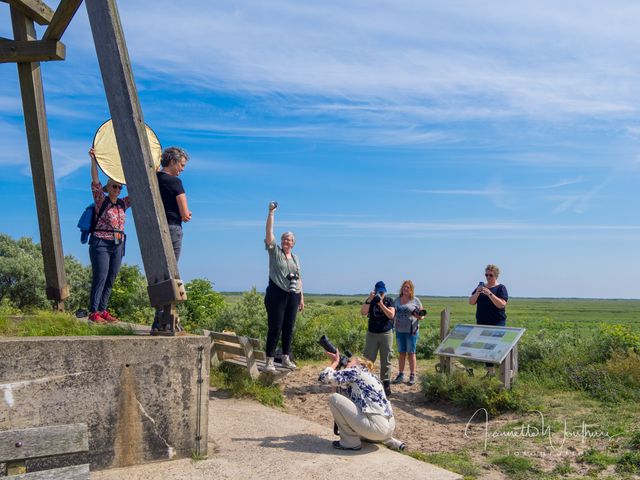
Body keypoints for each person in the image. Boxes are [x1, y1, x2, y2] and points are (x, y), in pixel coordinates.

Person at [319, 349, 405, 451]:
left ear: (359, 363)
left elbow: (324, 377)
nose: (346, 363)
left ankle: (350, 442)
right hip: (389, 428)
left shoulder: (355, 371)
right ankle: (387, 440)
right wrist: (338, 367)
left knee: (333, 399)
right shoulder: (371, 376)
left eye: (349, 361)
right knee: (343, 402)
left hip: (377, 429)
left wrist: (335, 362)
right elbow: (335, 385)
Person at [88, 148, 131, 323]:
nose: (118, 189)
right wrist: (93, 160)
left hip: (118, 244)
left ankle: (103, 310)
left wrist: (153, 171)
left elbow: (139, 190)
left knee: (111, 277)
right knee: (101, 276)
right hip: (101, 243)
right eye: (114, 186)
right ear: (108, 188)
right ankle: (93, 313)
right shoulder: (101, 200)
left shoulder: (123, 203)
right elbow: (95, 181)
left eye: (120, 187)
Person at [152, 146, 191, 333]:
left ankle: (158, 317)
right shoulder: (175, 182)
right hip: (173, 228)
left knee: (159, 274)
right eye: (181, 164)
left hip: (156, 229)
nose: (182, 169)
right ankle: (167, 318)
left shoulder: (153, 179)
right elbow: (184, 213)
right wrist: (187, 215)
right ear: (173, 162)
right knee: (172, 272)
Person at [263, 201, 304, 372]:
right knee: (275, 327)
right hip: (276, 293)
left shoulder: (295, 258)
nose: (286, 241)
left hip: (293, 295)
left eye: (289, 239)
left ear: (293, 243)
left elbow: (300, 278)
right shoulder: (275, 252)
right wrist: (271, 213)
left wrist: (301, 298)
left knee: (289, 327)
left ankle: (286, 357)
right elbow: (269, 233)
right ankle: (270, 360)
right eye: (284, 238)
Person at [469, 264, 509, 374]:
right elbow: (471, 302)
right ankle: (490, 372)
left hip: (497, 323)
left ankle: (505, 371)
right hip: (482, 322)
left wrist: (490, 294)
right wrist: (477, 292)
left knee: (498, 347)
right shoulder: (480, 287)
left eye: (490, 275)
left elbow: (501, 304)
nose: (488, 277)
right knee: (485, 348)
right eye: (486, 275)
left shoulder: (501, 288)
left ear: (496, 275)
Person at [361, 281, 395, 396]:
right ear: (374, 291)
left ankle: (386, 383)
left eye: (382, 292)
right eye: (378, 292)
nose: (380, 294)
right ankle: (364, 380)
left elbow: (391, 315)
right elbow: (363, 312)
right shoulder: (370, 300)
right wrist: (370, 299)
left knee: (386, 358)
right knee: (368, 358)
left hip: (386, 333)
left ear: (385, 291)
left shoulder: (389, 300)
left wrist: (380, 303)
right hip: (372, 333)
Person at [393, 280, 425, 386]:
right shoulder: (396, 300)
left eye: (408, 287)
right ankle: (401, 374)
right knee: (401, 353)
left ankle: (412, 375)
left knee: (411, 353)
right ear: (402, 288)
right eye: (404, 287)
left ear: (411, 290)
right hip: (399, 330)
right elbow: (393, 313)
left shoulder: (415, 300)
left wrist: (416, 315)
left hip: (412, 331)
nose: (405, 289)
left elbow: (422, 316)